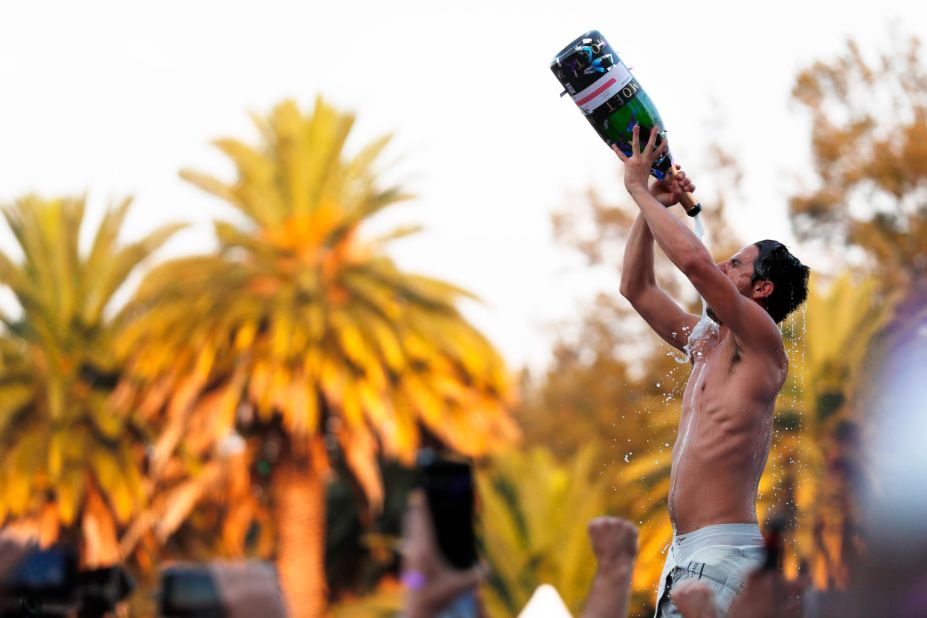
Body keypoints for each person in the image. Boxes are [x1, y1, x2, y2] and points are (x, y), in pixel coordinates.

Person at [614, 125, 810, 617]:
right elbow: (636, 289)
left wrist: (638, 187)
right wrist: (649, 204)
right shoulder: (707, 343)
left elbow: (697, 265)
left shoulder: (761, 342)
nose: (723, 266)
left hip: (722, 557)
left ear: (761, 290)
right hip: (687, 556)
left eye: (737, 264)